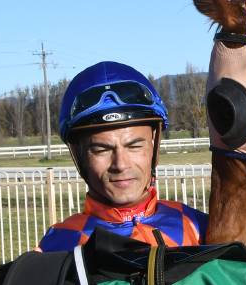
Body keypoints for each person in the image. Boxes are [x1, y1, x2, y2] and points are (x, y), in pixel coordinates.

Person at [38, 61, 208, 251]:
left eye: (134, 146)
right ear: (79, 155)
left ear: (154, 144)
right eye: (101, 149)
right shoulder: (58, 246)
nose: (120, 164)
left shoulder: (201, 227)